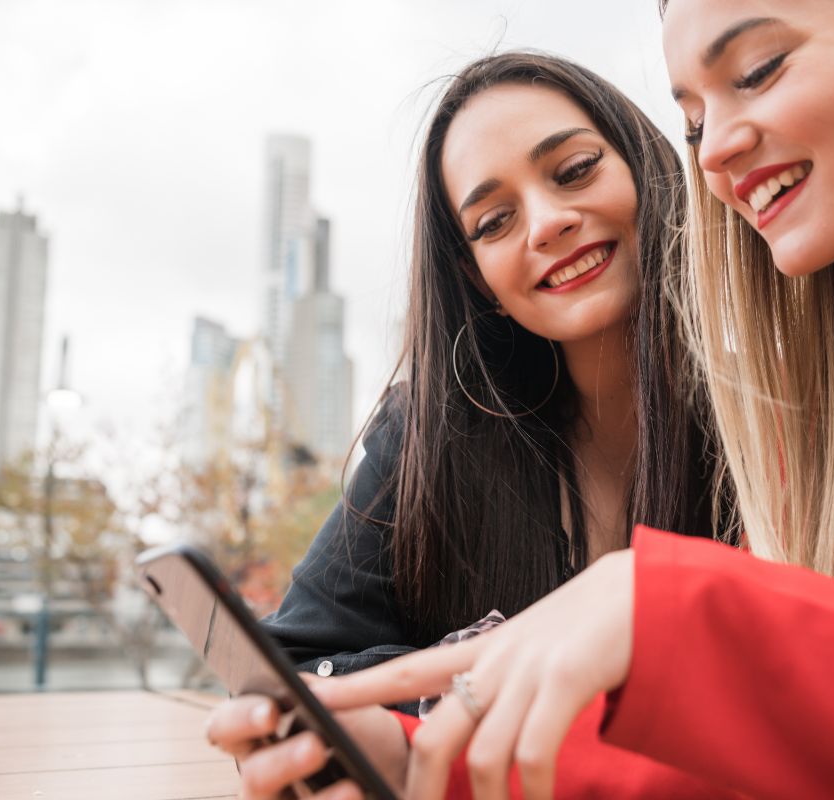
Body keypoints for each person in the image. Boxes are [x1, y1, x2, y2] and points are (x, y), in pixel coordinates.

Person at [274, 0, 834, 797]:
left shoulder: (780, 422)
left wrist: (677, 614)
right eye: (694, 122)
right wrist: (413, 755)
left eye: (759, 70)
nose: (716, 151)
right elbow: (804, 749)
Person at [206, 52, 731, 796]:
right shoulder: (433, 435)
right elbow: (288, 664)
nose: (547, 225)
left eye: (575, 170)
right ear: (474, 277)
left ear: (647, 165)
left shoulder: (774, 419)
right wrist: (444, 693)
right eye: (493, 221)